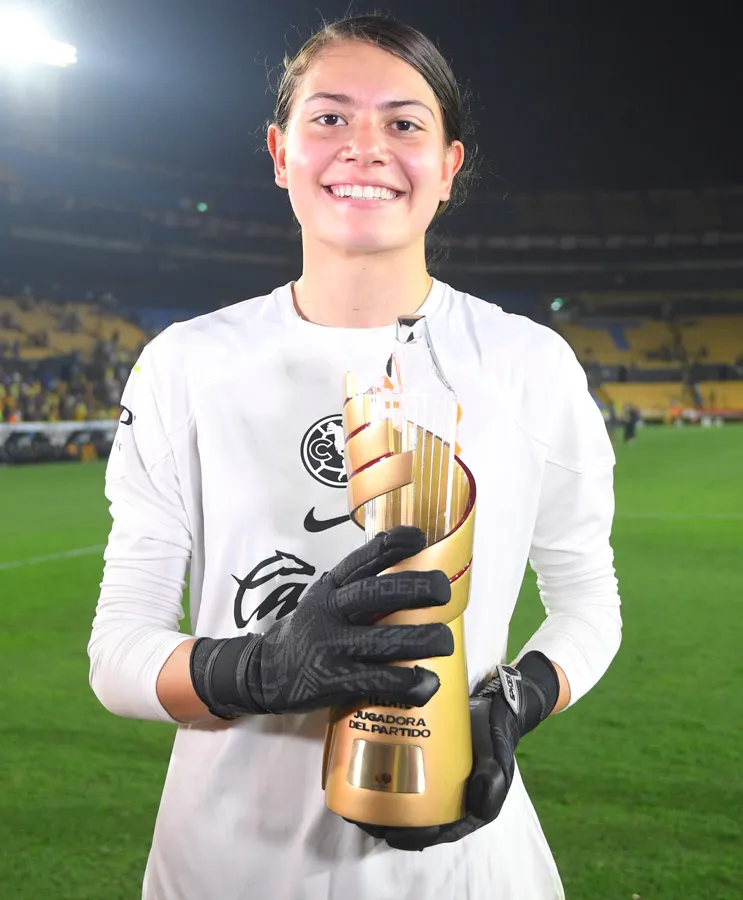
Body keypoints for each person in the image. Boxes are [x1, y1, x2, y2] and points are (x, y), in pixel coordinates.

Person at [88, 15, 621, 900]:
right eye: (329, 118)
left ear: (448, 166)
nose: (364, 148)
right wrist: (261, 670)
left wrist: (516, 699)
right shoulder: (186, 362)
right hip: (225, 864)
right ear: (278, 152)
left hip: (465, 869)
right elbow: (118, 652)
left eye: (404, 123)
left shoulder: (527, 364)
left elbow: (589, 605)